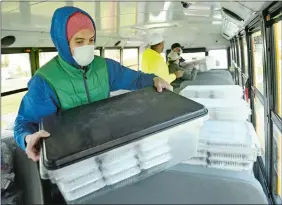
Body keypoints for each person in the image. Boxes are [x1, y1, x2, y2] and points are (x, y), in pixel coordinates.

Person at [13, 6, 171, 162]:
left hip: (103, 142)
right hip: (69, 154)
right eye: (79, 41)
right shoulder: (45, 80)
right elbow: (25, 122)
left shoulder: (105, 67)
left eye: (91, 40)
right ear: (63, 42)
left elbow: (135, 79)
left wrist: (153, 79)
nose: (87, 47)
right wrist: (27, 138)